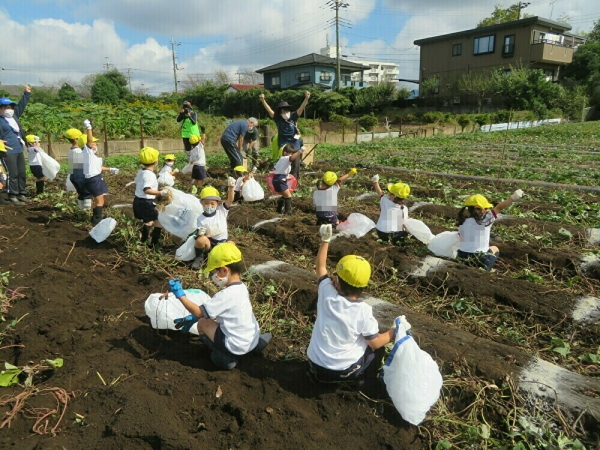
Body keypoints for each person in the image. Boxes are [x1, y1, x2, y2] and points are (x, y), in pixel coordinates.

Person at [307, 224, 395, 383]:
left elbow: (320, 267)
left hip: (315, 363)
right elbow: (375, 343)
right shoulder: (363, 311)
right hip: (342, 372)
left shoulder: (326, 292)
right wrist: (394, 332)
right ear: (364, 287)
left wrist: (325, 240)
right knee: (375, 348)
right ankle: (364, 383)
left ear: (337, 281)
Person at [168, 243, 270, 370]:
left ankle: (225, 358)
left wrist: (180, 294)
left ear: (224, 270)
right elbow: (222, 312)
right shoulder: (242, 288)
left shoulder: (226, 295)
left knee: (202, 323)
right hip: (250, 339)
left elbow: (200, 313)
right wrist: (192, 317)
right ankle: (255, 346)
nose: (213, 276)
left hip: (235, 346)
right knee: (214, 320)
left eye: (215, 271)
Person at [457, 190, 523, 271]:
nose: (488, 210)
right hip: (480, 258)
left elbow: (462, 238)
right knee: (495, 248)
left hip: (461, 257)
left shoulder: (463, 222)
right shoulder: (487, 218)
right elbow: (499, 207)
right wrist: (513, 198)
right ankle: (485, 269)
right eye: (486, 208)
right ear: (482, 209)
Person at [259, 91, 310, 180]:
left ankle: (295, 181)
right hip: (284, 145)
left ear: (289, 110)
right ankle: (285, 180)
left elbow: (301, 108)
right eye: (282, 111)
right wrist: (263, 101)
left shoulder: (294, 116)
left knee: (295, 164)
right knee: (285, 163)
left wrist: (306, 98)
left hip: (295, 144)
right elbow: (269, 110)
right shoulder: (278, 119)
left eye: (286, 110)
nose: (284, 113)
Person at [190, 180, 236, 270]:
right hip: (210, 245)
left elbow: (230, 199)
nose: (209, 206)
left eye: (212, 203)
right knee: (200, 240)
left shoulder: (221, 211)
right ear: (202, 203)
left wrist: (231, 188)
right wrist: (200, 233)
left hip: (222, 243)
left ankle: (226, 262)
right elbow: (201, 234)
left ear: (217, 203)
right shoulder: (200, 218)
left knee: (231, 244)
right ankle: (200, 257)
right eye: (206, 203)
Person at [81, 119, 119, 225]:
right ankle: (97, 221)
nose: (95, 144)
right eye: (94, 142)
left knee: (97, 200)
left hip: (94, 178)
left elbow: (97, 167)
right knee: (100, 201)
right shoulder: (87, 151)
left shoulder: (89, 156)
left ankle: (95, 218)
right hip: (94, 180)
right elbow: (88, 140)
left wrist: (110, 169)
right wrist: (89, 128)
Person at [0, 86, 31, 205]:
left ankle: (22, 193)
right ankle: (12, 194)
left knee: (21, 172)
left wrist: (26, 94)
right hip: (7, 150)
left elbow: (21, 105)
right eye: (7, 107)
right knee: (13, 173)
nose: (10, 109)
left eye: (11, 107)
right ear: (1, 109)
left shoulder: (13, 117)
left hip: (18, 148)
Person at [133, 147, 169, 248]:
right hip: (146, 202)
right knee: (152, 222)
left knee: (155, 220)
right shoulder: (150, 175)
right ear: (155, 161)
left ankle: (148, 242)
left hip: (138, 200)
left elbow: (137, 182)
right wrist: (160, 193)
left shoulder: (141, 171)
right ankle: (147, 243)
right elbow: (147, 189)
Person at [371, 175, 410, 245]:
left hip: (380, 232)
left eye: (389, 192)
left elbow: (380, 193)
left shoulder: (385, 201)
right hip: (393, 235)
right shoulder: (404, 209)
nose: (388, 193)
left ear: (393, 196)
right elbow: (403, 224)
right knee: (404, 231)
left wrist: (375, 182)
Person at [273, 144, 304, 215]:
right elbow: (292, 158)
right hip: (280, 179)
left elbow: (277, 170)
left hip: (277, 179)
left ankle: (278, 210)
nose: (292, 155)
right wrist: (300, 151)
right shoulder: (286, 158)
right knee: (288, 196)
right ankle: (287, 212)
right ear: (285, 153)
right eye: (291, 153)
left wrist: (287, 176)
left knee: (284, 195)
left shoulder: (281, 160)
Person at [65, 128, 92, 210]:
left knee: (81, 193)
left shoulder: (72, 150)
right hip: (79, 175)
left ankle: (81, 209)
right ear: (76, 139)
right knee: (87, 192)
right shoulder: (78, 151)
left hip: (73, 175)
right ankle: (87, 209)